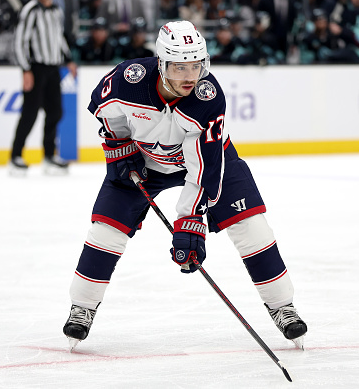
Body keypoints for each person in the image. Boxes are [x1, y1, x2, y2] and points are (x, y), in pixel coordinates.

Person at [62, 20, 308, 351]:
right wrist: (119, 148)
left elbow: (202, 167)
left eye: (196, 65)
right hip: (142, 164)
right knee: (106, 229)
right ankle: (82, 307)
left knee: (251, 226)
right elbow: (105, 111)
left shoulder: (207, 97)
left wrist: (190, 220)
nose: (189, 76)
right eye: (179, 67)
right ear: (161, 63)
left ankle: (282, 306)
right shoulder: (128, 80)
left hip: (208, 162)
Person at [9, 0, 77, 175]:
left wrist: (68, 59)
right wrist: (25, 69)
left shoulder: (56, 10)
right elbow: (19, 40)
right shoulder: (30, 10)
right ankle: (15, 156)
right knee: (30, 113)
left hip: (53, 68)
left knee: (55, 112)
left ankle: (48, 156)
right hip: (36, 68)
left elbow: (59, 37)